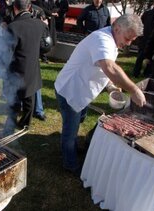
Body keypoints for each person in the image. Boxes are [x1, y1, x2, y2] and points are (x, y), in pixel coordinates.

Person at [54, 14, 146, 174]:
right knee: (70, 129)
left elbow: (102, 67)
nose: (128, 44)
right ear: (117, 28)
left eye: (132, 40)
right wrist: (134, 89)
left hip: (81, 92)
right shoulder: (101, 39)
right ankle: (70, 164)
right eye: (127, 38)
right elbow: (109, 67)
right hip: (70, 90)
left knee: (78, 120)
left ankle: (73, 147)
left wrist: (110, 86)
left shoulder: (112, 39)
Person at [1, 0, 48, 135]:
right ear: (29, 8)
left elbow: (6, 54)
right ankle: (26, 123)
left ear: (15, 8)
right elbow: (46, 47)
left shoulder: (12, 27)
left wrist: (1, 67)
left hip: (16, 71)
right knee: (29, 98)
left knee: (13, 101)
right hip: (33, 68)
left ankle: (9, 128)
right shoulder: (40, 24)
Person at [132, 0, 154, 78]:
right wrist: (140, 38)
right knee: (140, 57)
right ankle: (135, 73)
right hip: (145, 40)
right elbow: (141, 25)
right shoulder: (147, 13)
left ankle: (147, 73)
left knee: (151, 58)